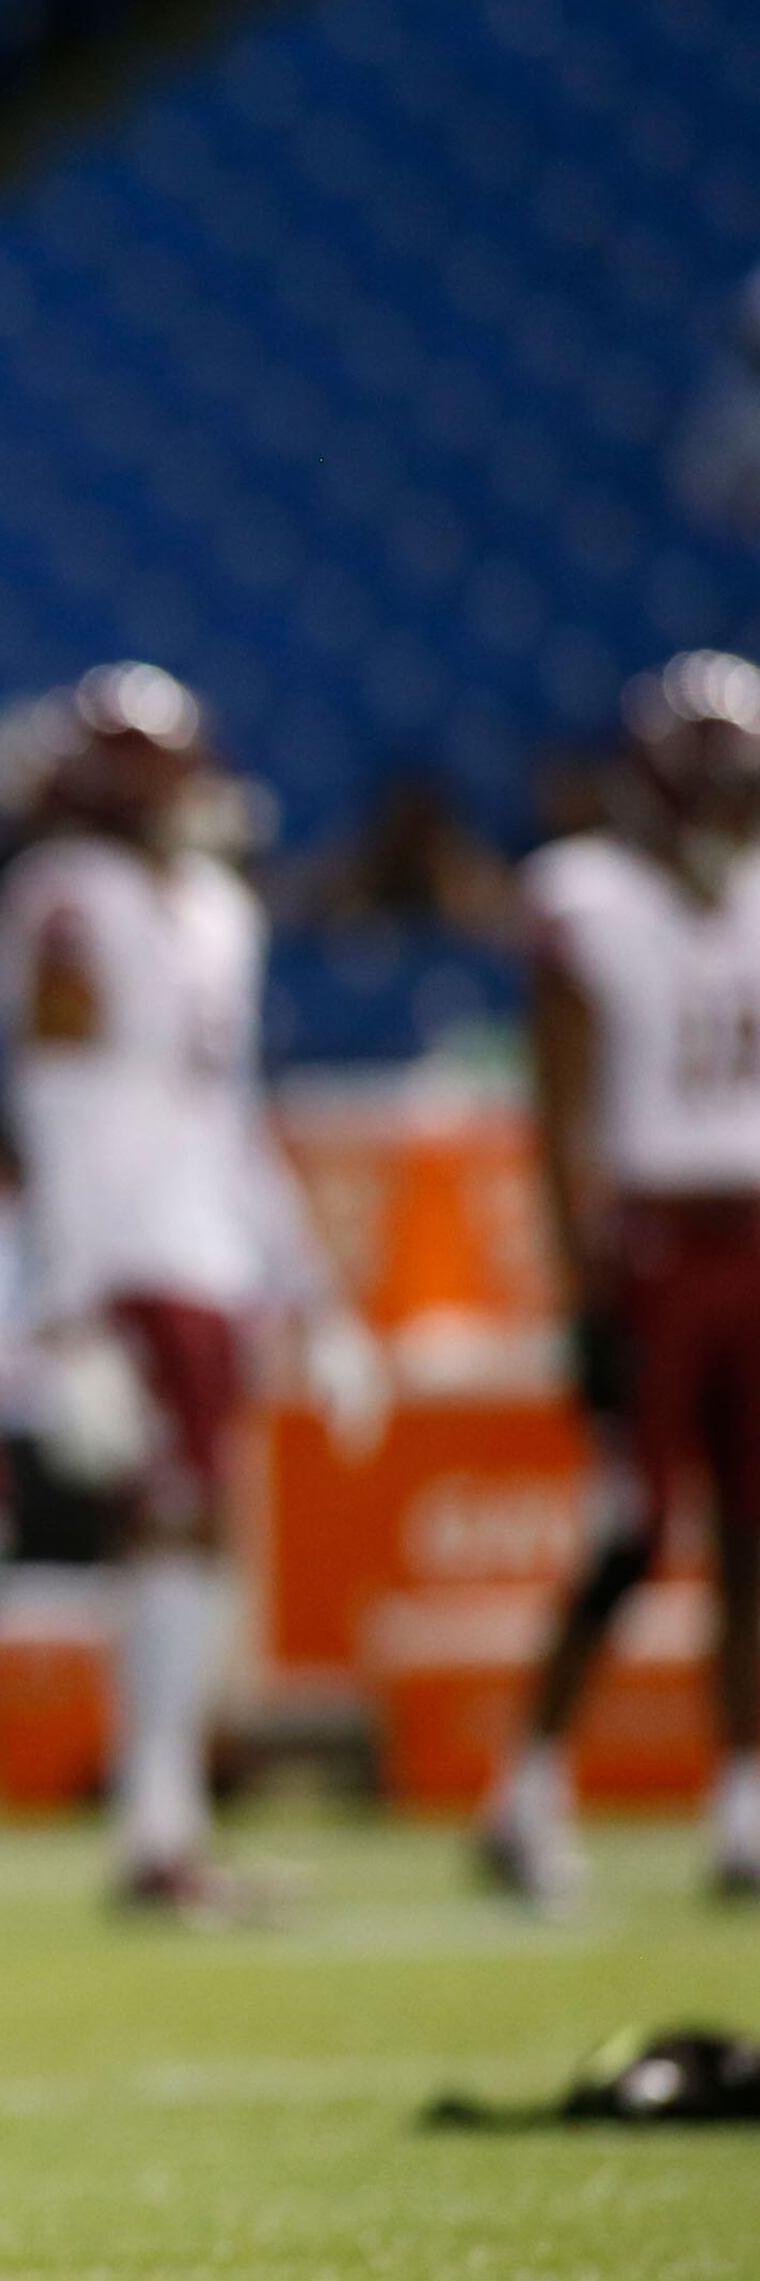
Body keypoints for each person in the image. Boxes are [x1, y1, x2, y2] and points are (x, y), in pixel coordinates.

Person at [0, 665, 388, 1922]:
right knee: (167, 1522)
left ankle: (171, 1813)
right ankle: (158, 1828)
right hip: (121, 1258)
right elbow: (48, 1106)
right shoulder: (63, 896)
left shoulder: (219, 905)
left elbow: (228, 1107)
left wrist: (309, 1288)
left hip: (206, 1250)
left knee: (201, 1527)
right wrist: (69, 1303)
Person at [479, 650, 760, 1909]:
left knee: (754, 1536)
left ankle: (745, 1801)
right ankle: (529, 1785)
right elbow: (561, 1106)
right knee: (631, 1534)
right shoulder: (585, 895)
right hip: (650, 1243)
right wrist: (581, 1276)